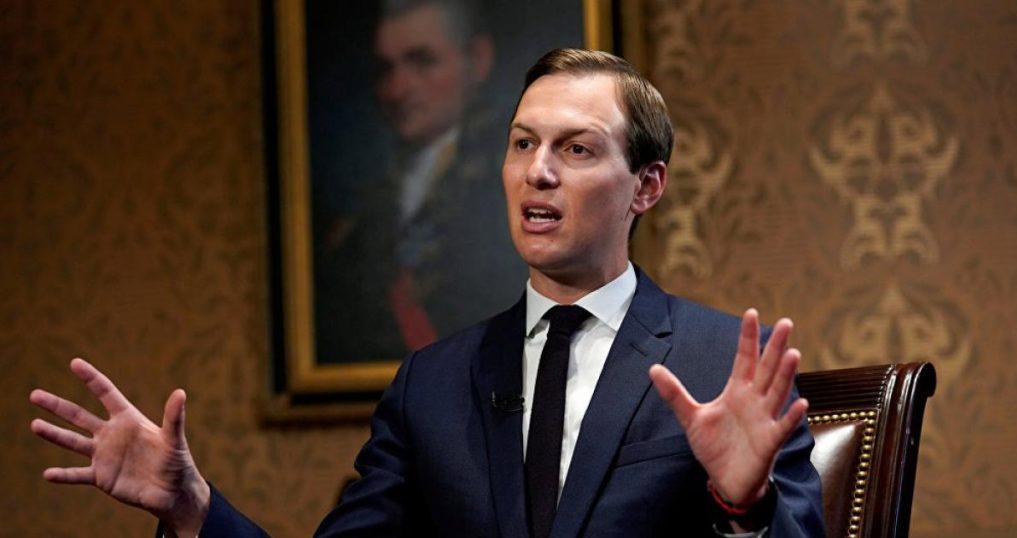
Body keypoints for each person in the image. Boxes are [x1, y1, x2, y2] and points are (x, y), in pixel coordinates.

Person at [30, 49, 824, 537]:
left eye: (577, 149)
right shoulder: (432, 386)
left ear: (646, 186)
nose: (538, 171)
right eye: (522, 143)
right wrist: (194, 508)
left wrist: (743, 506)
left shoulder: (726, 364)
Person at [313, 0, 524, 362]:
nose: (397, 89)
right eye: (386, 69)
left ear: (477, 60)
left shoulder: (513, 181)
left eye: (422, 62)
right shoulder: (368, 204)